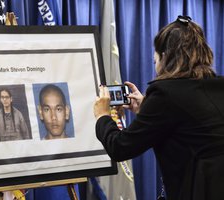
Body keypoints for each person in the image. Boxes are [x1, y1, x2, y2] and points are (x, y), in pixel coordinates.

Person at [93, 15, 224, 200]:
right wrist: (146, 108)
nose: (154, 60)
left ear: (165, 56)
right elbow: (190, 124)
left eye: (156, 54)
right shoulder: (218, 86)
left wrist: (103, 116)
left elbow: (120, 147)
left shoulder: (165, 93)